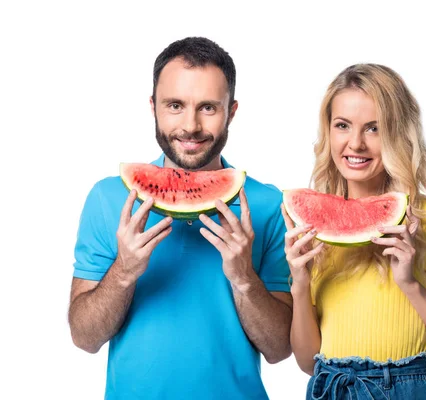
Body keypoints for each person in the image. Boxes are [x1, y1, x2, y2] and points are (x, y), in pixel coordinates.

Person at [68, 36, 293, 399]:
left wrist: (244, 279)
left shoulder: (267, 205)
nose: (190, 126)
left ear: (231, 112)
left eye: (208, 108)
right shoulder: (109, 198)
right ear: (153, 106)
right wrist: (124, 271)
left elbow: (280, 349)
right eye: (175, 105)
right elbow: (83, 337)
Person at [282, 63, 426, 399]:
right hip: (332, 388)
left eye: (373, 129)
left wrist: (410, 283)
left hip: (404, 388)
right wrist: (299, 285)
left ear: (398, 134)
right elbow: (306, 361)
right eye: (342, 125)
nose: (355, 143)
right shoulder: (313, 228)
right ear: (328, 131)